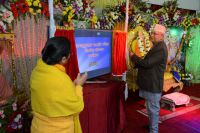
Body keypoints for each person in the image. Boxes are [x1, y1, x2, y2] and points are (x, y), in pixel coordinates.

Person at [30, 36, 87, 133]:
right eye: (70, 54)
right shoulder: (61, 79)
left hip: (38, 128)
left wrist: (72, 85)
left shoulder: (36, 72)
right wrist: (78, 86)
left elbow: (53, 96)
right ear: (64, 59)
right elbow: (77, 107)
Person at [130, 24, 168, 133]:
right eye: (152, 33)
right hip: (150, 83)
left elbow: (147, 63)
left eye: (154, 34)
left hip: (153, 84)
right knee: (151, 109)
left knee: (153, 110)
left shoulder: (161, 48)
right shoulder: (157, 45)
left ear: (161, 35)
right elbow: (149, 62)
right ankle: (152, 126)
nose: (152, 35)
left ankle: (154, 130)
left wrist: (133, 57)